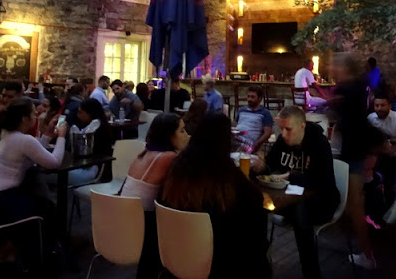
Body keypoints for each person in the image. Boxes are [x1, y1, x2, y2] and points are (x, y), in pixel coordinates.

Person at [162, 112, 271, 279]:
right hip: (217, 262)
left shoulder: (178, 165)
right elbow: (255, 200)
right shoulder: (225, 171)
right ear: (226, 140)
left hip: (176, 254)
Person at [256, 106, 339, 279]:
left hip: (323, 202)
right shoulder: (282, 140)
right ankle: (260, 264)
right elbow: (269, 166)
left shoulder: (319, 144)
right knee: (257, 206)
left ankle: (311, 274)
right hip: (289, 199)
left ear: (302, 126)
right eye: (281, 129)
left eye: (288, 129)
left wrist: (291, 176)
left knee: (301, 210)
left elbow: (323, 182)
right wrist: (259, 166)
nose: (284, 134)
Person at [0, 98, 67, 260]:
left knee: (40, 202)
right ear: (25, 119)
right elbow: (54, 162)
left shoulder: (2, 134)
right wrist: (62, 136)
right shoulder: (23, 139)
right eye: (33, 113)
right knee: (47, 207)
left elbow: (33, 153)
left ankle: (15, 248)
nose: (37, 115)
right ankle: (42, 254)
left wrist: (47, 135)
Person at [121, 113, 190, 278]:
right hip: (142, 223)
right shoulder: (170, 157)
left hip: (124, 218)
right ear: (169, 135)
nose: (187, 135)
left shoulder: (145, 153)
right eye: (182, 131)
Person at [327, 53, 374, 270]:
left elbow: (336, 113)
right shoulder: (361, 87)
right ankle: (343, 238)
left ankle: (368, 255)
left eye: (334, 66)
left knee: (355, 205)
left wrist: (330, 103)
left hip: (353, 151)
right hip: (356, 149)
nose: (331, 69)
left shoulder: (345, 89)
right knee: (348, 201)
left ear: (343, 68)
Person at [367, 93, 396, 206]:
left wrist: (387, 140)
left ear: (390, 106)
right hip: (378, 157)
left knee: (391, 185)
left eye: (382, 105)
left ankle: (391, 207)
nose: (379, 108)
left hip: (395, 156)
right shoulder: (370, 118)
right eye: (377, 105)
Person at [70, 99, 114, 185]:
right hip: (86, 166)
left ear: (90, 113)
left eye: (80, 112)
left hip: (93, 169)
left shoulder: (96, 129)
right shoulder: (88, 126)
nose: (78, 115)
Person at [234, 85, 274, 153]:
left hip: (249, 143)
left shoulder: (265, 113)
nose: (249, 99)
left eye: (252, 97)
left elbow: (267, 133)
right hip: (236, 138)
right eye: (248, 96)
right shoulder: (242, 110)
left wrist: (257, 144)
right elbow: (234, 125)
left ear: (259, 99)